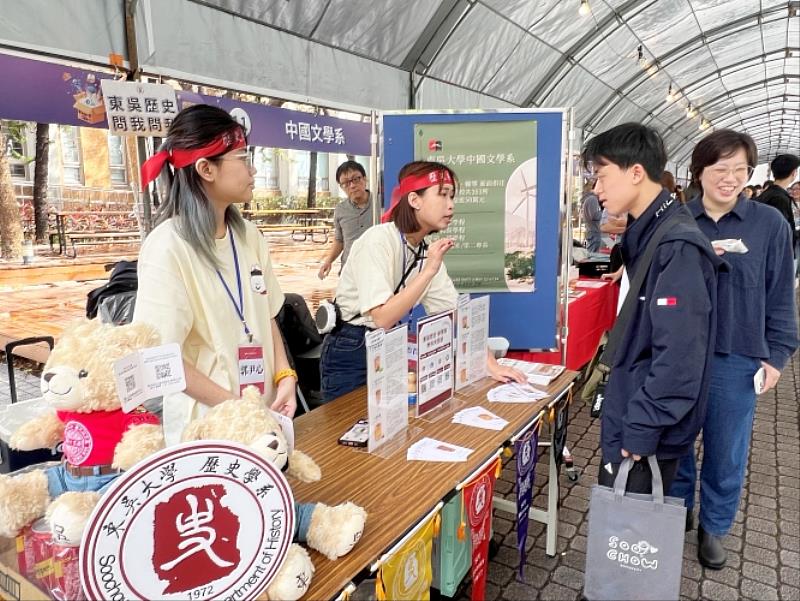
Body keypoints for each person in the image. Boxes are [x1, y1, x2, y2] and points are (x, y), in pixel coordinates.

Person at [670, 130, 798, 570]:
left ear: (750, 173)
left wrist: (776, 355)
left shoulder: (769, 225)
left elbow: (781, 295)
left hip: (737, 357)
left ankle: (714, 525)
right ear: (699, 172)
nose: (729, 178)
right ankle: (680, 508)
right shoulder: (677, 221)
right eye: (719, 169)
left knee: (726, 449)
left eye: (739, 170)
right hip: (681, 357)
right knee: (677, 440)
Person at [133, 105, 297, 445]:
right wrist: (238, 411)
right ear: (206, 169)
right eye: (243, 158)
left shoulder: (249, 235)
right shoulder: (167, 248)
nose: (254, 170)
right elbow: (159, 359)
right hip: (207, 427)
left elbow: (265, 316)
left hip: (262, 418)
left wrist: (285, 376)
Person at [582, 123, 723, 495]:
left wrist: (643, 427)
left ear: (636, 172)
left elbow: (679, 354)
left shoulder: (677, 246)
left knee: (631, 534)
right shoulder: (650, 232)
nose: (596, 189)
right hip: (632, 402)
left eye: (601, 176)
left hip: (645, 423)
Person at [319, 160, 526, 402]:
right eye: (443, 195)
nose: (451, 206)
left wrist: (490, 363)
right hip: (350, 348)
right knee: (350, 433)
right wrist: (427, 271)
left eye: (452, 197)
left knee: (388, 427)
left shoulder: (425, 249)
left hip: (385, 345)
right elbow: (382, 317)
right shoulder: (378, 240)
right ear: (414, 200)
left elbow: (455, 311)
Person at [318, 161, 374, 279]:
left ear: (365, 179)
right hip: (349, 271)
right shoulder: (340, 209)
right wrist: (329, 261)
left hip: (376, 269)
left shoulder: (380, 204)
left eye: (356, 179)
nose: (352, 186)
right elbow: (339, 240)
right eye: (346, 183)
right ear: (341, 187)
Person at [758, 154, 799, 275]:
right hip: (779, 257)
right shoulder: (779, 198)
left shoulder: (767, 194)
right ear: (793, 173)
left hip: (766, 253)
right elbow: (781, 232)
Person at [580, 181, 602, 252]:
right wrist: (604, 213)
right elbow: (594, 216)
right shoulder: (593, 199)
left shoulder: (589, 199)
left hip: (592, 232)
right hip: (594, 233)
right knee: (592, 257)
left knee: (591, 256)